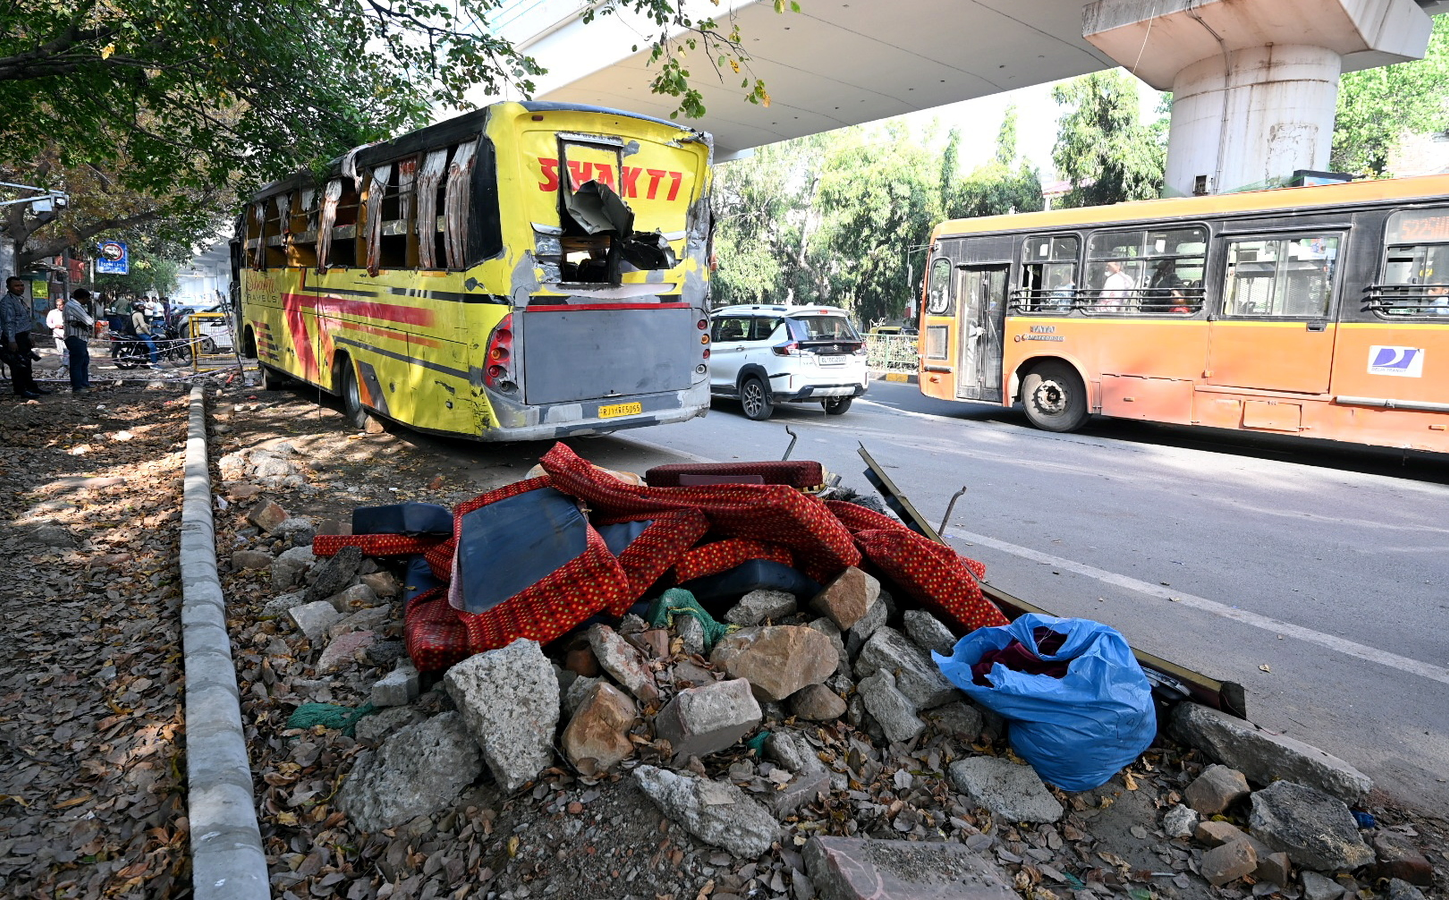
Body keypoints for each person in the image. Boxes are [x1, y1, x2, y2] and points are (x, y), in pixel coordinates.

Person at [2, 276, 49, 398]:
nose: (20, 288)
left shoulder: (20, 300)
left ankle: (31, 387)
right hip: (14, 337)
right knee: (18, 365)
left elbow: (25, 321)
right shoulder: (7, 302)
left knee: (27, 364)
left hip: (23, 336)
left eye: (21, 285)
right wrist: (11, 340)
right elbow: (9, 322)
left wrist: (29, 336)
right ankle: (20, 390)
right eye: (16, 286)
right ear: (9, 287)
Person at [63, 289, 96, 392]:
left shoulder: (77, 306)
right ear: (83, 298)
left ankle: (84, 383)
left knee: (84, 361)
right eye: (87, 299)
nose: (88, 301)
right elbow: (89, 321)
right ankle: (77, 386)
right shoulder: (74, 306)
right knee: (77, 363)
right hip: (75, 337)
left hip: (81, 337)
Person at [131, 301, 160, 367]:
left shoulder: (134, 313)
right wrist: (148, 333)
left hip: (138, 332)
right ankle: (154, 363)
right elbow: (143, 326)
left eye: (143, 307)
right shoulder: (139, 314)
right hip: (141, 333)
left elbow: (143, 324)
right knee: (152, 347)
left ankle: (144, 362)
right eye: (141, 307)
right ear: (136, 307)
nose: (143, 308)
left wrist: (151, 326)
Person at [46, 296, 69, 367]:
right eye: (57, 305)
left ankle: (66, 364)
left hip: (67, 334)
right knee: (60, 350)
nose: (59, 306)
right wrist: (56, 326)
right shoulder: (52, 312)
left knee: (67, 349)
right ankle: (64, 363)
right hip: (57, 333)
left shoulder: (68, 312)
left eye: (60, 305)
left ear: (64, 305)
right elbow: (48, 323)